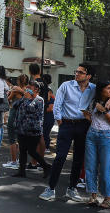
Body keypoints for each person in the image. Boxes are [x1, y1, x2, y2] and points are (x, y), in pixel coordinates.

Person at [39, 64, 96, 202]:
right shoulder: (66, 85)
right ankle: (51, 189)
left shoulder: (93, 88)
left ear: (88, 76)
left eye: (81, 72)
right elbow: (57, 104)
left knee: (78, 158)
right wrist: (59, 121)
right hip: (66, 124)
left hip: (83, 125)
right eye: (76, 71)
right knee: (60, 157)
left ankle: (72, 188)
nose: (77, 74)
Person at [83, 81, 110, 208]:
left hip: (107, 136)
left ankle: (108, 198)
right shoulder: (93, 101)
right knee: (90, 166)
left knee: (106, 168)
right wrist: (90, 115)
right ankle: (92, 195)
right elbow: (87, 114)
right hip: (92, 135)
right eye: (108, 88)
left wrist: (104, 112)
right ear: (101, 90)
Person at [14, 81, 50, 177]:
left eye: (30, 87)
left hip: (33, 130)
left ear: (36, 89)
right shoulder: (25, 97)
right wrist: (23, 98)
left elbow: (31, 109)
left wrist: (27, 99)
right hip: (21, 128)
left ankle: (46, 166)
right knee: (22, 150)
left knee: (32, 151)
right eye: (27, 87)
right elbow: (15, 105)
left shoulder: (39, 100)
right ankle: (21, 171)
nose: (27, 88)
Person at [3, 74, 28, 170]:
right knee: (19, 139)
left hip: (14, 113)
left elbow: (7, 99)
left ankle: (13, 161)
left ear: (18, 81)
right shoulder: (28, 90)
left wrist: (9, 94)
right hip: (22, 115)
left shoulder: (15, 88)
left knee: (12, 139)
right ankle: (18, 160)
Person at [41, 74, 55, 154]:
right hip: (46, 117)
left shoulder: (48, 91)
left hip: (49, 118)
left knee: (45, 133)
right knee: (44, 133)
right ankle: (44, 146)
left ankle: (46, 147)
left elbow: (50, 108)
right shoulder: (47, 90)